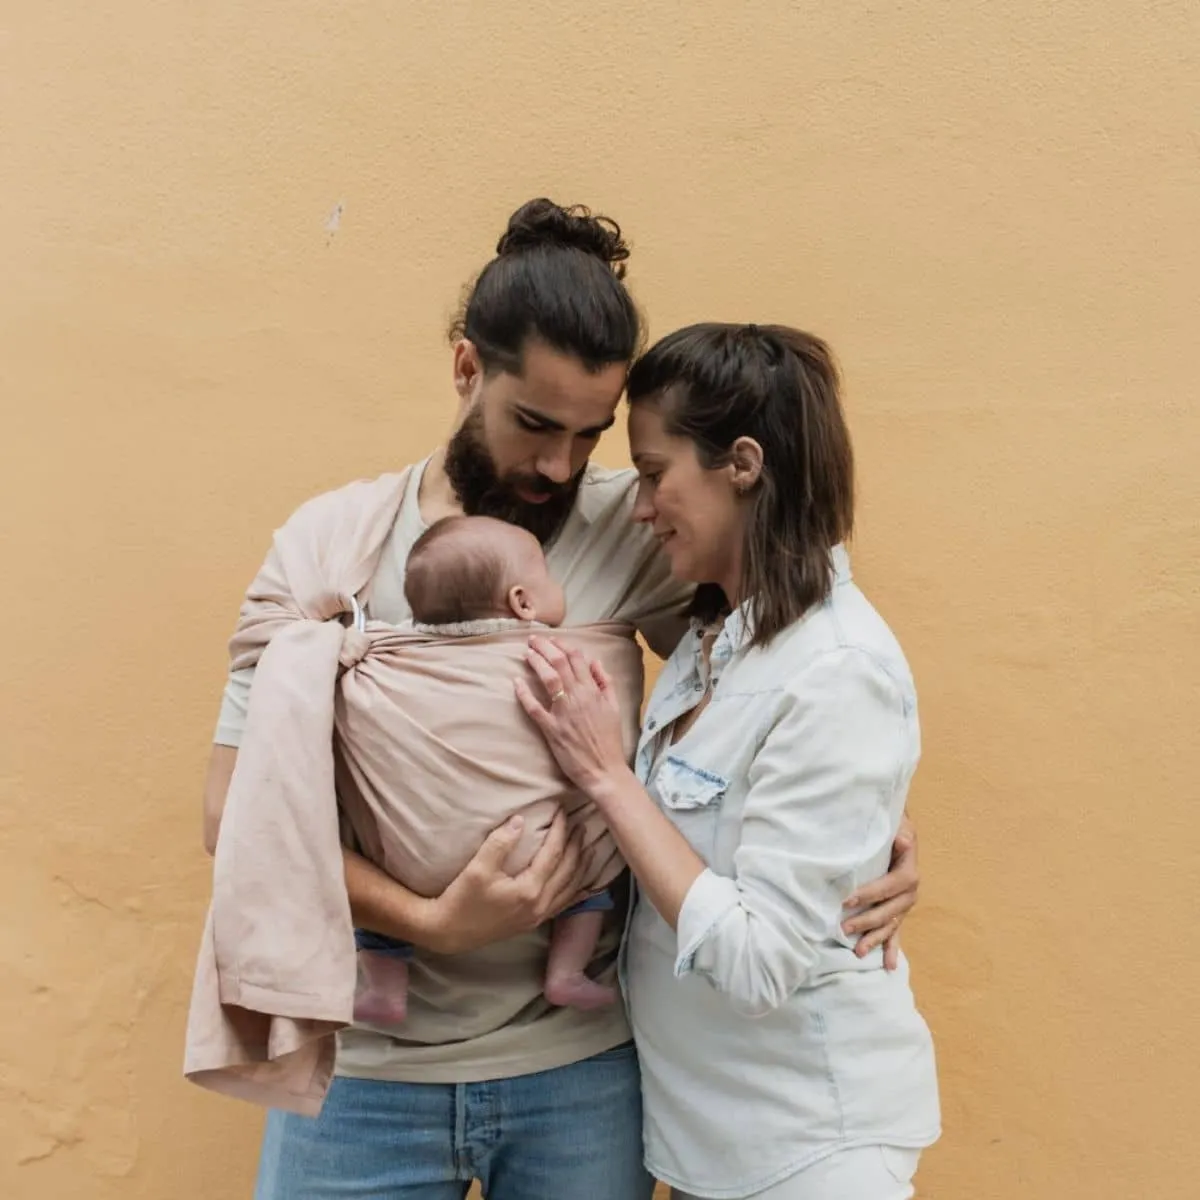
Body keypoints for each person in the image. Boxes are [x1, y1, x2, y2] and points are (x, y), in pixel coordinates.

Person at [201, 199, 921, 1200]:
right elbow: (236, 816)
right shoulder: (328, 548)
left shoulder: (634, 527)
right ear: (466, 369)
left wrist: (865, 842)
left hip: (581, 1069)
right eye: (534, 425)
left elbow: (775, 683)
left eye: (590, 437)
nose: (559, 469)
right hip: (369, 1072)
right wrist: (431, 919)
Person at [516, 322, 941, 1200]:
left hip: (812, 1151)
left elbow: (756, 963)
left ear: (741, 464)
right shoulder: (721, 649)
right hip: (720, 1147)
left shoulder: (838, 668)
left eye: (652, 473)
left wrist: (606, 775)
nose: (639, 508)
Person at [353, 513, 621, 1026]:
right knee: (591, 866)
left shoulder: (394, 656)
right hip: (537, 852)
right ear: (523, 602)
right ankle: (565, 972)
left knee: (376, 851)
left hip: (412, 865)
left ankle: (385, 987)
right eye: (548, 573)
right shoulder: (549, 656)